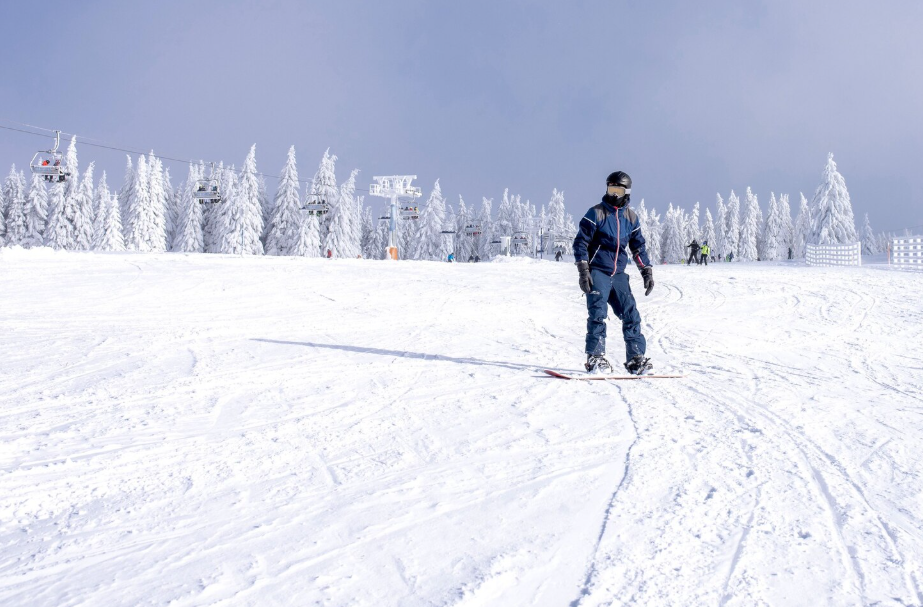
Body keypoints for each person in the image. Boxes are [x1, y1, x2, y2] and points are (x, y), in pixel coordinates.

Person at [573, 171, 654, 376]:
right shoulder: (596, 213)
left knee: (631, 314)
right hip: (598, 271)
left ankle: (636, 359)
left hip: (618, 274)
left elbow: (638, 247)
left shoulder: (631, 218)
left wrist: (646, 271)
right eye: (611, 189)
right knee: (598, 313)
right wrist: (583, 270)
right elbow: (581, 242)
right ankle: (595, 357)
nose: (614, 194)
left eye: (618, 190)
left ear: (627, 192)